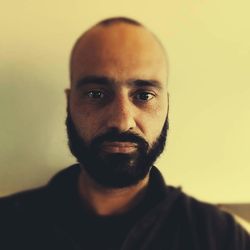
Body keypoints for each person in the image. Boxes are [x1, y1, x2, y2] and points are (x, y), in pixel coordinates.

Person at [0, 17, 249, 250]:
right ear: (69, 103)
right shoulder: (8, 226)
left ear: (166, 105)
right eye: (96, 94)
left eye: (144, 95)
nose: (121, 121)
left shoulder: (220, 237)